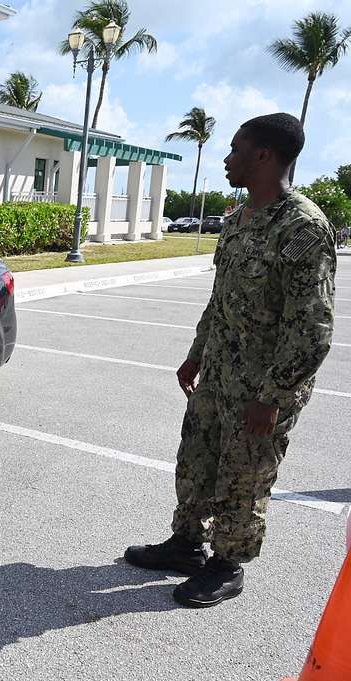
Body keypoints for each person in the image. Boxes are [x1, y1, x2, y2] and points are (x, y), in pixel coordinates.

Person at [124, 113, 336, 607]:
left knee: (244, 475)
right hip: (219, 373)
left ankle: (227, 565)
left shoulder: (302, 227)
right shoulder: (238, 220)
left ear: (263, 156)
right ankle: (186, 545)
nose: (226, 158)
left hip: (261, 388)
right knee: (195, 459)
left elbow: (312, 328)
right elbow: (220, 300)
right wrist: (195, 356)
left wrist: (273, 398)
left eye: (235, 149)